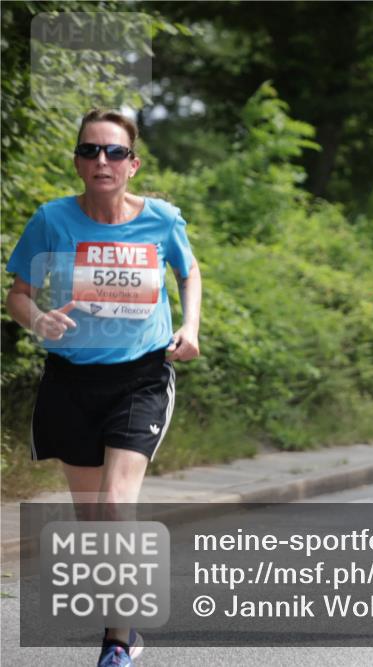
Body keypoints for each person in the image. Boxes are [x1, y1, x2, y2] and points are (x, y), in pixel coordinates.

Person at [5, 109, 201, 667]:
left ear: (132, 165)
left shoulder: (161, 219)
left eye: (114, 152)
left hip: (140, 377)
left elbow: (189, 271)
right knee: (93, 521)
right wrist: (37, 318)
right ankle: (128, 626)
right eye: (91, 151)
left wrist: (189, 326)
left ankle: (117, 640)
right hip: (71, 380)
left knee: (116, 505)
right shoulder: (52, 220)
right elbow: (17, 294)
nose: (102, 161)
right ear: (77, 161)